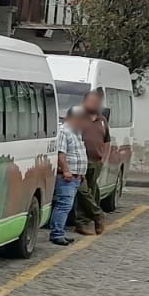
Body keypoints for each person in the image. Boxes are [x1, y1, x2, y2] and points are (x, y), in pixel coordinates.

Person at [72, 88, 111, 236]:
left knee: (91, 190)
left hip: (96, 162)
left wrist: (104, 158)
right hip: (79, 161)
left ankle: (83, 223)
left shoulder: (102, 120)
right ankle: (97, 214)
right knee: (82, 191)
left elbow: (107, 140)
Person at [50, 106, 88, 246]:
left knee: (67, 205)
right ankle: (57, 233)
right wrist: (66, 170)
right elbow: (61, 153)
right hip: (67, 176)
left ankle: (60, 231)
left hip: (76, 176)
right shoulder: (64, 131)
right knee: (63, 204)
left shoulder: (76, 132)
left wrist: (81, 173)